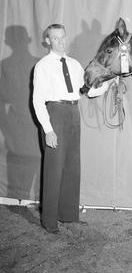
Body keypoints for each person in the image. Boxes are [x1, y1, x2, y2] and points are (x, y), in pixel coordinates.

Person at [33, 23, 108, 234]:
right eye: (55, 38)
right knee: (53, 168)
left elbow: (87, 91)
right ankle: (49, 221)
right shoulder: (43, 66)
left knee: (73, 167)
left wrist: (108, 84)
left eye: (63, 37)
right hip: (55, 114)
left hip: (74, 113)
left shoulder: (74, 64)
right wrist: (48, 130)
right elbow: (38, 101)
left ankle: (68, 215)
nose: (60, 41)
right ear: (47, 41)